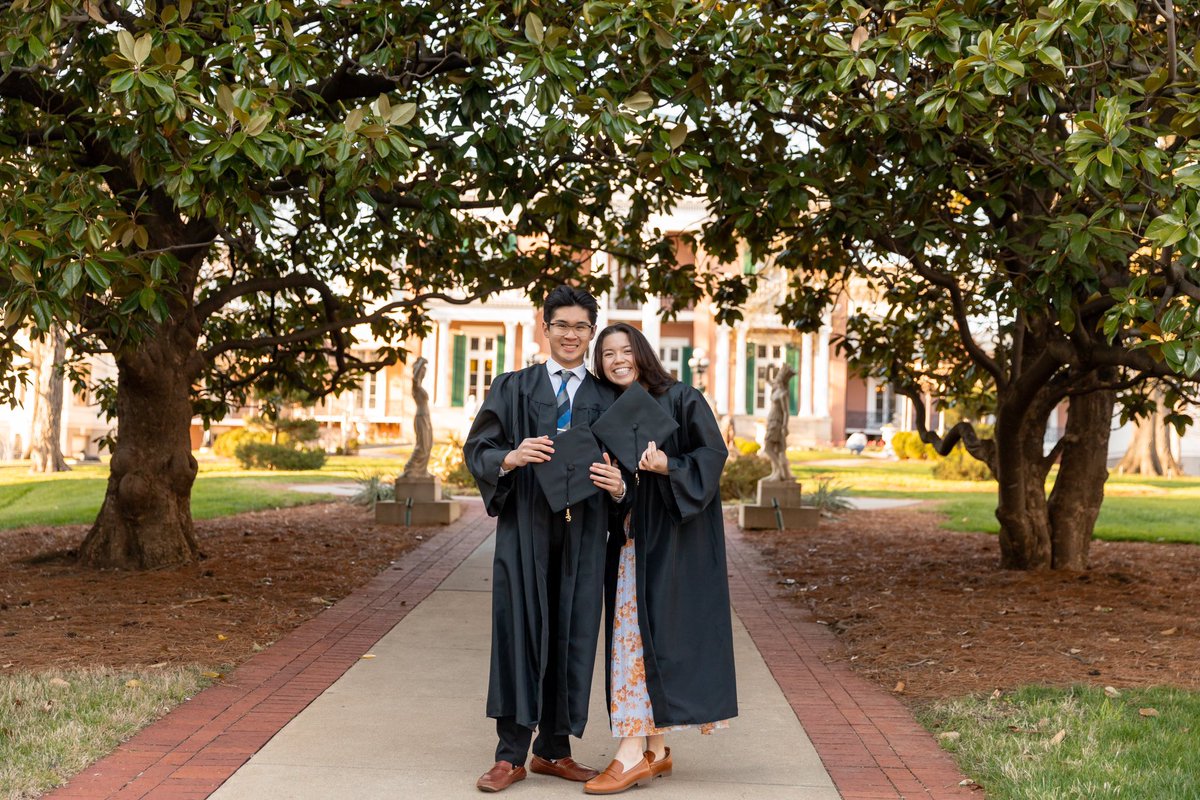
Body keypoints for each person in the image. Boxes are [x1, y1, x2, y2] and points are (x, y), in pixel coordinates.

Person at [464, 285, 627, 793]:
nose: (571, 335)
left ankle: (554, 750)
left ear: (591, 332)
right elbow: (479, 448)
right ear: (546, 327)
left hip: (585, 535)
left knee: (572, 633)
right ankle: (509, 754)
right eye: (562, 325)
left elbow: (635, 472)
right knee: (519, 632)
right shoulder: (513, 387)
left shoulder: (609, 397)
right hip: (525, 529)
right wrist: (511, 457)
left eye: (582, 326)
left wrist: (621, 486)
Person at [583, 323, 737, 795]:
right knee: (635, 639)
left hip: (676, 547)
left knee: (649, 639)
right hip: (632, 544)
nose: (616, 359)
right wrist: (618, 489)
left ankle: (630, 754)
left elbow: (712, 454)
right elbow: (626, 494)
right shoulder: (609, 414)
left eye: (625, 350)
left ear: (641, 352)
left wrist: (668, 465)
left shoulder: (682, 397)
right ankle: (656, 749)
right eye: (607, 353)